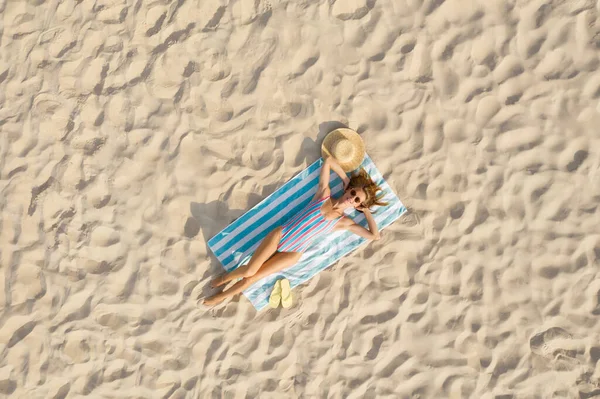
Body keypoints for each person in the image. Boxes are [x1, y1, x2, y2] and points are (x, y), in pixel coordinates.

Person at [202, 155, 388, 306]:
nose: (351, 198)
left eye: (356, 200)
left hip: (293, 253)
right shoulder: (324, 194)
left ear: (358, 206)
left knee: (253, 278)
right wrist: (347, 180)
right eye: (353, 193)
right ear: (348, 189)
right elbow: (329, 161)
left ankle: (220, 297)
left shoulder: (344, 222)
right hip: (280, 235)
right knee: (250, 270)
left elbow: (374, 236)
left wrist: (365, 211)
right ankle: (225, 278)